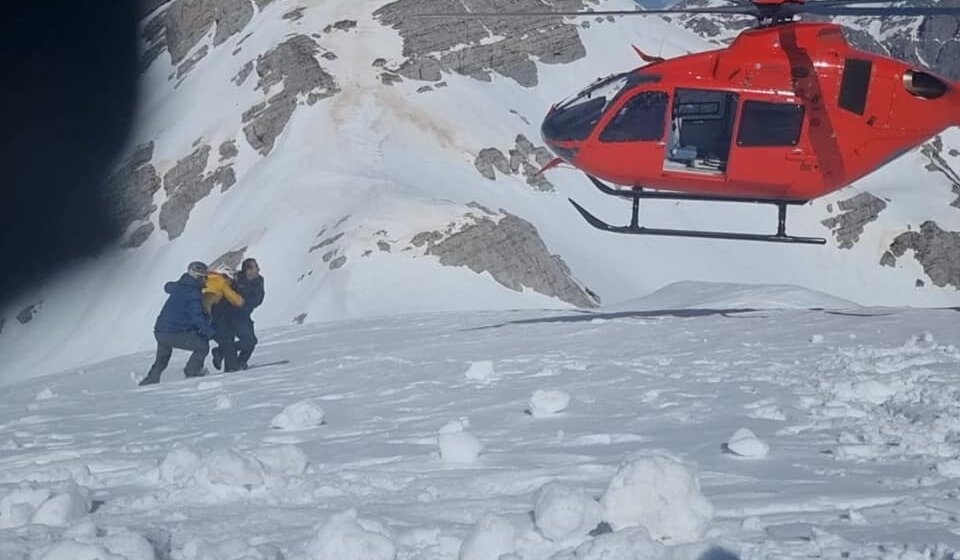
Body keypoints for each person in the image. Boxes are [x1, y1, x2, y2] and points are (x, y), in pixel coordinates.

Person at [140, 262, 215, 386]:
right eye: (205, 277)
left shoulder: (181, 286)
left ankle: (151, 379)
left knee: (162, 357)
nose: (206, 280)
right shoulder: (193, 293)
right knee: (202, 346)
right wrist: (210, 332)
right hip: (173, 333)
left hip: (160, 331)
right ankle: (192, 372)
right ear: (198, 277)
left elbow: (168, 287)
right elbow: (197, 318)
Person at [213, 258, 264, 371]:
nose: (258, 269)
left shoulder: (259, 281)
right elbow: (225, 294)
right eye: (256, 267)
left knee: (250, 341)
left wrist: (244, 304)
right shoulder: (234, 279)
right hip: (227, 316)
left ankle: (226, 354)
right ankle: (234, 367)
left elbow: (258, 299)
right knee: (230, 341)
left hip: (243, 316)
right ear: (248, 270)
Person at [203, 266, 245, 373]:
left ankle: (223, 357)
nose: (230, 281)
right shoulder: (220, 281)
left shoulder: (205, 279)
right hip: (212, 315)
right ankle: (232, 367)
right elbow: (236, 300)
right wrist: (242, 301)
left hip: (200, 316)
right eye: (230, 279)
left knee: (224, 339)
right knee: (227, 339)